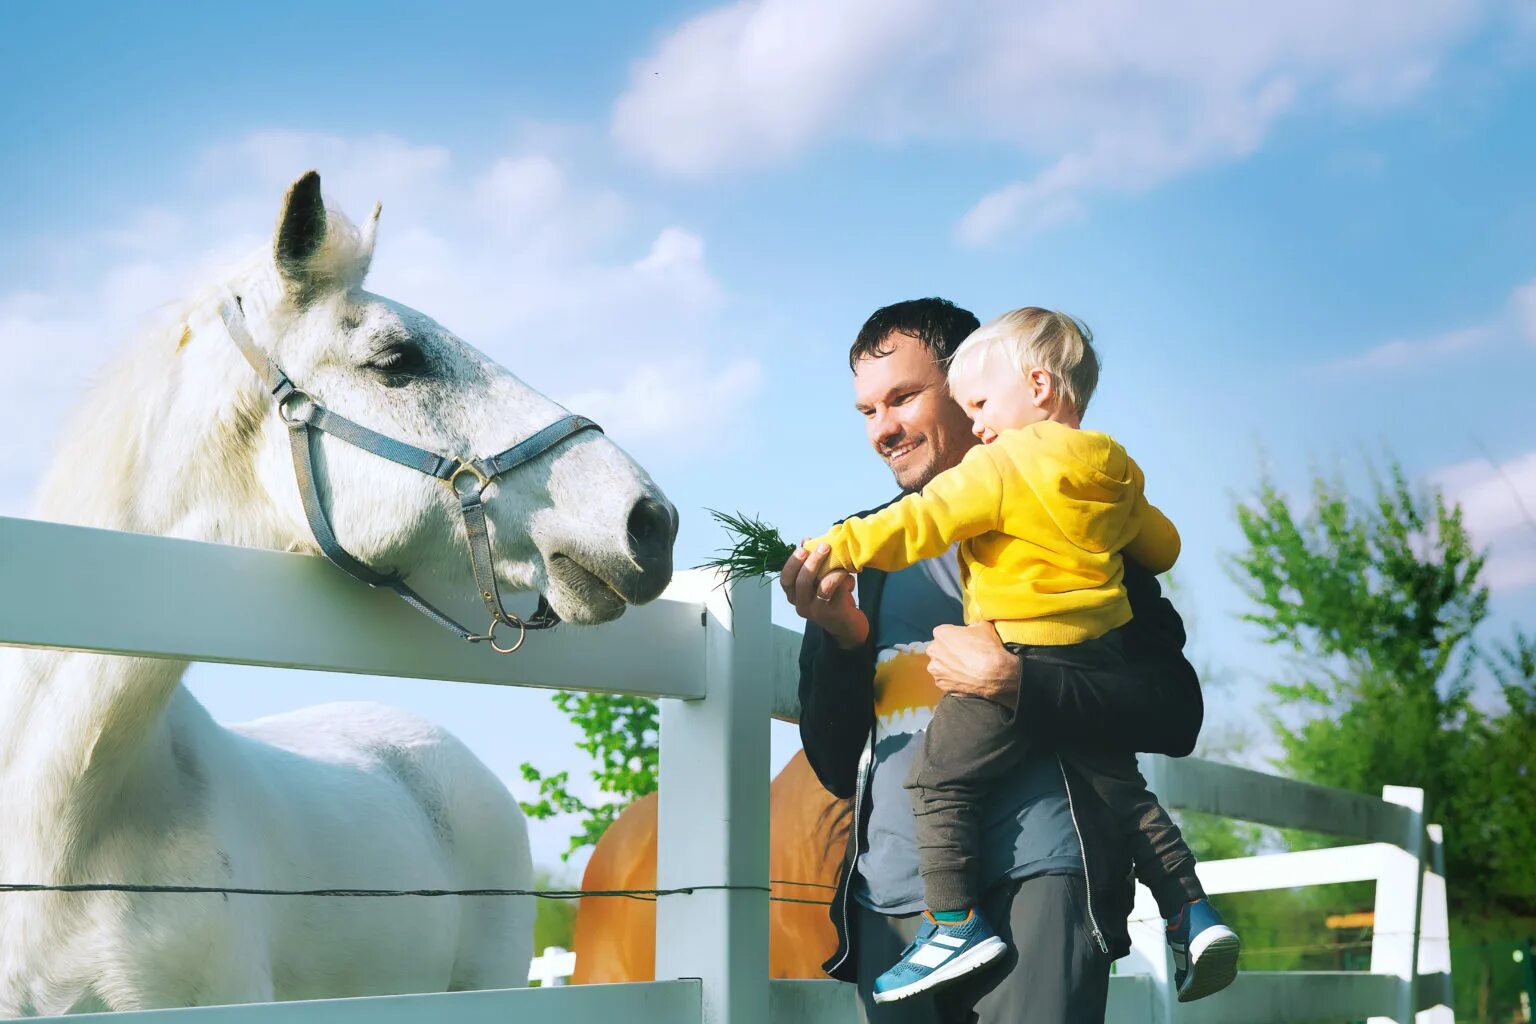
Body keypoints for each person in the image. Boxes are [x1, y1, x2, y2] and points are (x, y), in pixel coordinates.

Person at [802, 308, 1239, 1005]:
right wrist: (844, 642)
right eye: (867, 409)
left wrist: (1016, 682)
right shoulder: (875, 557)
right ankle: (1193, 909)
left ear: (967, 387)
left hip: (1043, 889)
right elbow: (832, 765)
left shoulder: (1081, 534)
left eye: (904, 397)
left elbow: (1175, 712)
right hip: (892, 908)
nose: (882, 427)